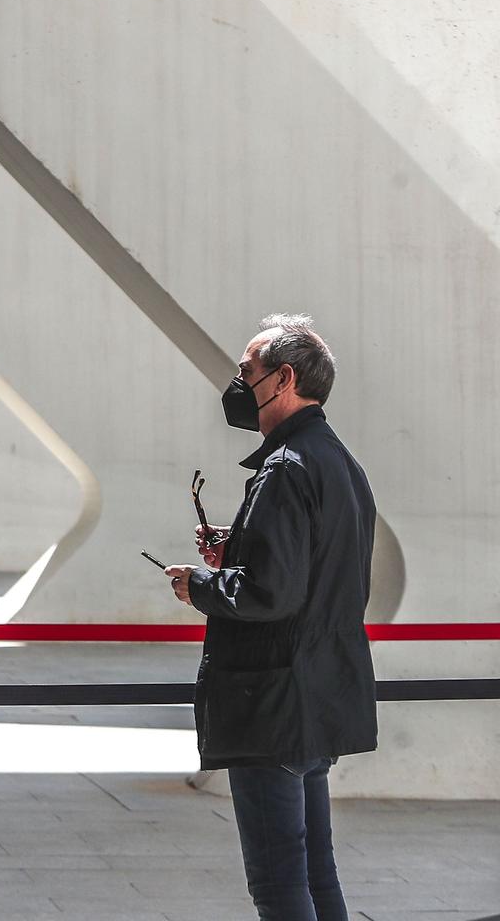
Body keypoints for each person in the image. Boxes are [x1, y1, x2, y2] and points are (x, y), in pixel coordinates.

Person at [163, 315, 375, 921]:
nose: (237, 384)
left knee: (279, 883)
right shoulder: (338, 462)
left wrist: (198, 583)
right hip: (317, 692)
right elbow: (320, 569)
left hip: (272, 700)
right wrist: (241, 550)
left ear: (283, 379)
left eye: (246, 371)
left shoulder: (284, 468)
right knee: (316, 873)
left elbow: (271, 595)